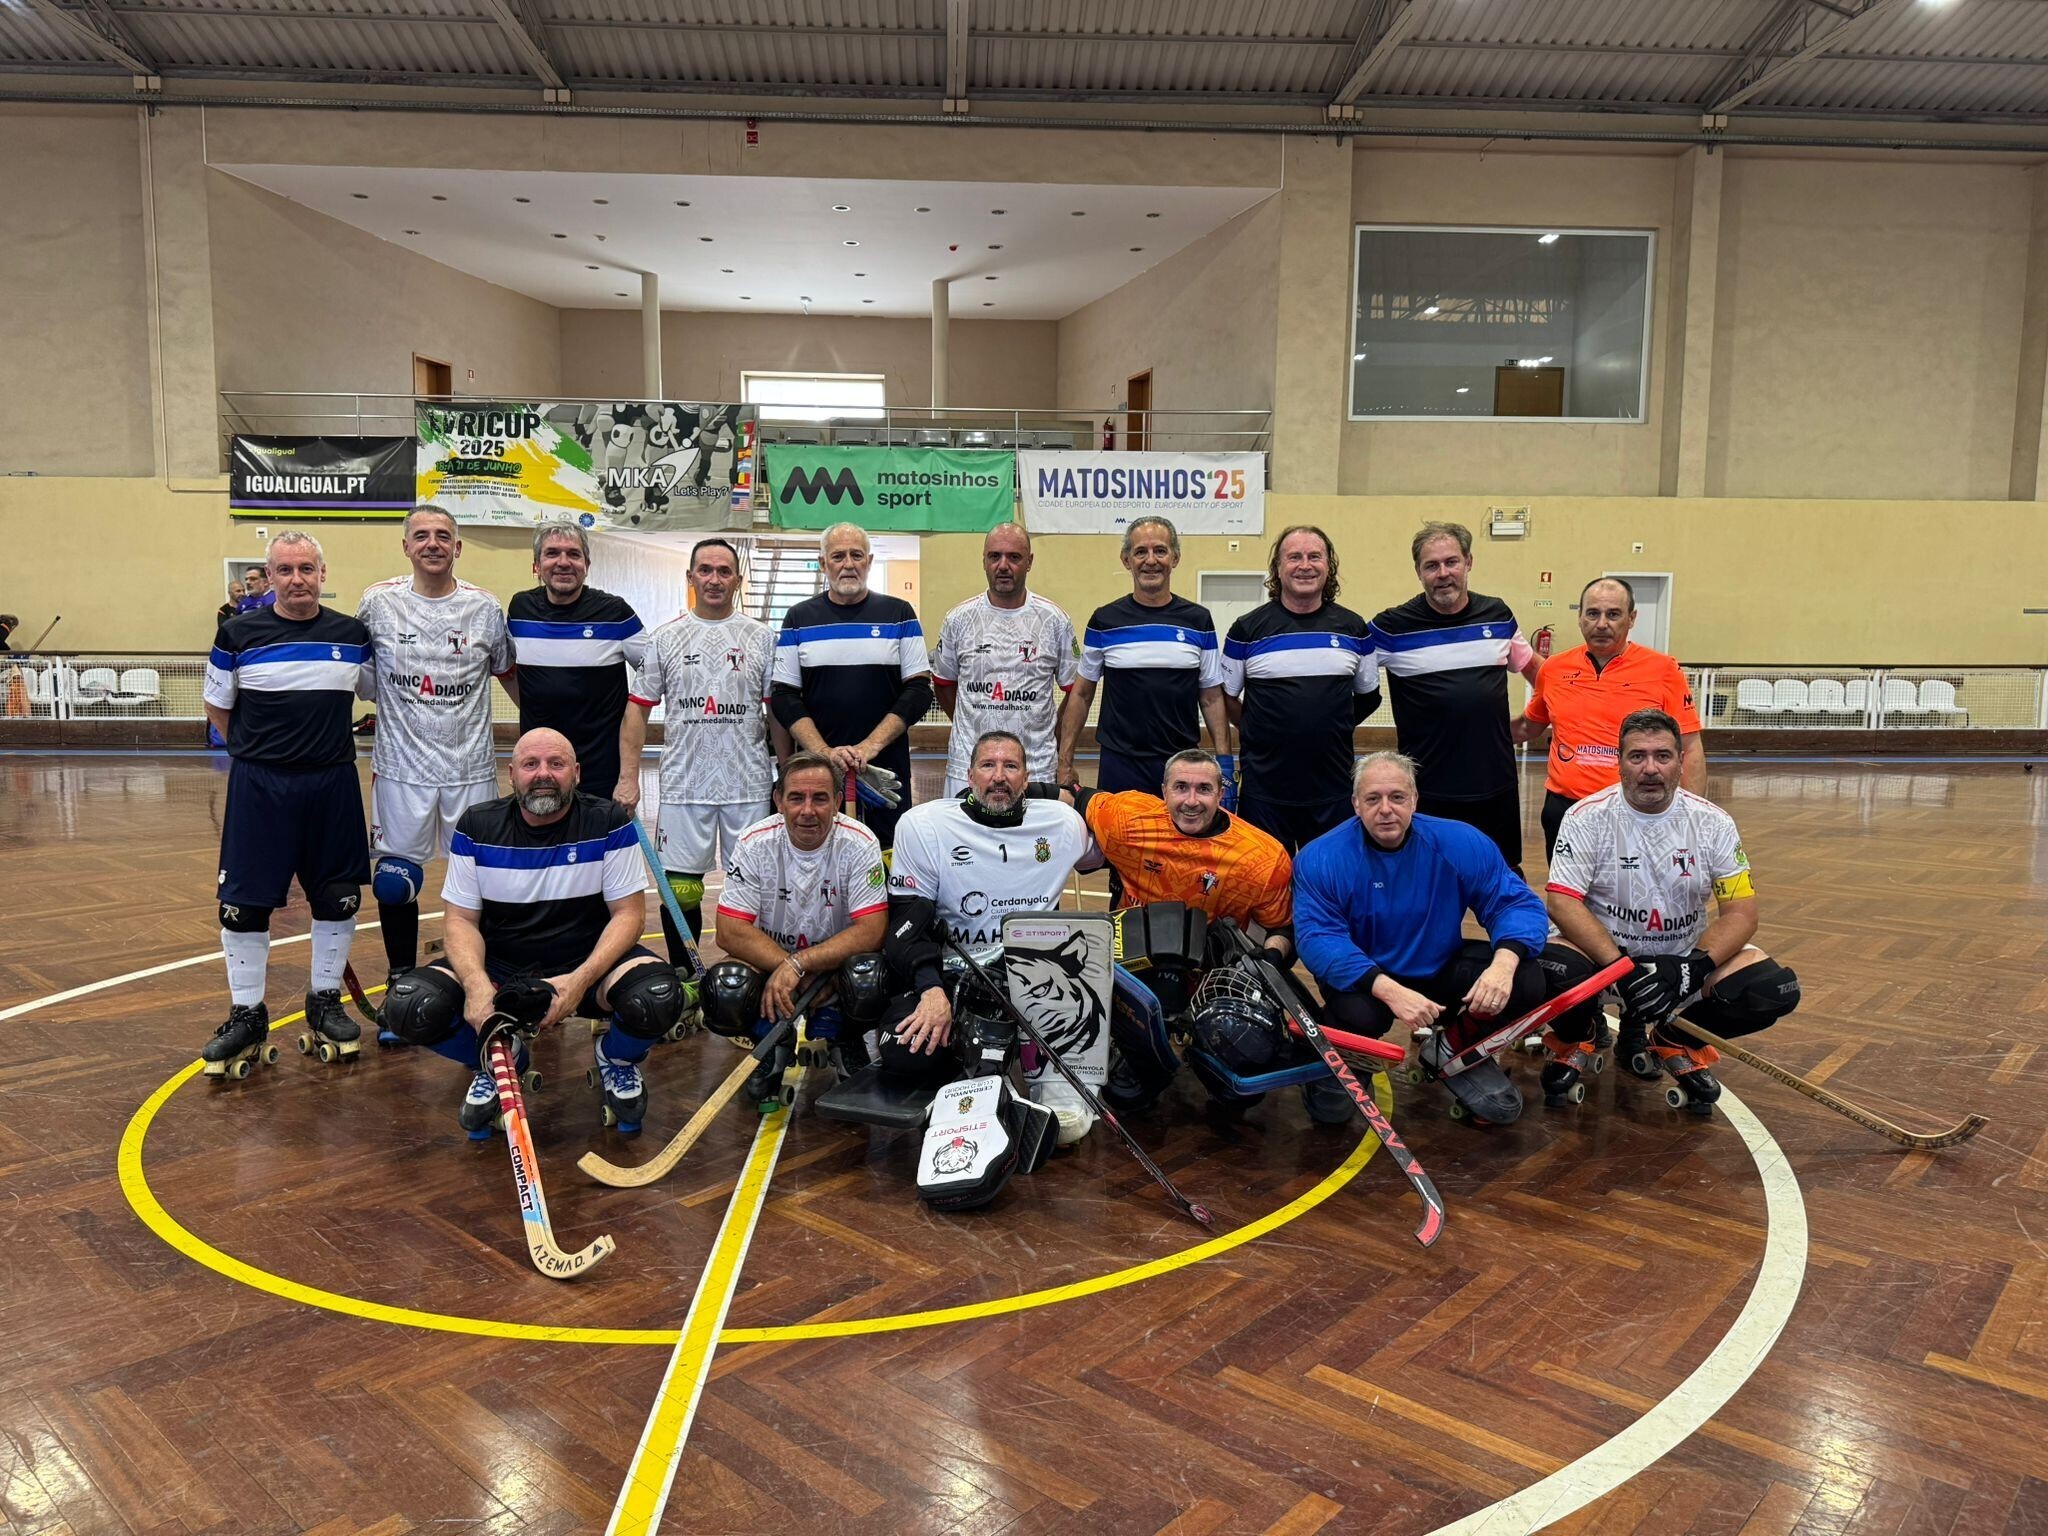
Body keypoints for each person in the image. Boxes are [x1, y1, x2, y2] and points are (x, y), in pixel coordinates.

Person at [377, 729, 687, 1136]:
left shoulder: (608, 822)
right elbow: (460, 921)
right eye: (530, 764)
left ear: (576, 773)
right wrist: (476, 985)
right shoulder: (477, 826)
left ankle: (616, 1058)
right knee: (409, 1005)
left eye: (556, 764)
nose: (543, 774)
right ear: (511, 774)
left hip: (587, 965)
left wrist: (580, 980)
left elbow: (629, 915)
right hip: (501, 970)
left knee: (658, 996)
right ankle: (497, 1058)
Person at [1540, 709, 1801, 1113]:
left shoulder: (1714, 823)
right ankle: (1580, 1034)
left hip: (1679, 963)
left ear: (1681, 760)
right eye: (1637, 756)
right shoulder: (1584, 817)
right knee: (1545, 968)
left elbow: (1741, 913)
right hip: (1603, 962)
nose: (1650, 768)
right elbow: (1562, 901)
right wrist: (1619, 968)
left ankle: (1676, 1038)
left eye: (1662, 756)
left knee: (1772, 988)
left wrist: (1695, 967)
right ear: (1619, 761)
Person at [1293, 752, 1550, 1123]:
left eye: (1397, 797)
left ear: (1414, 800)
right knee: (1330, 1111)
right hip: (1366, 982)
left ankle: (1453, 1048)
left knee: (1525, 978)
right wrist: (1389, 990)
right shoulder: (1321, 857)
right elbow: (1318, 938)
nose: (1386, 809)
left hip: (1438, 967)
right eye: (1373, 798)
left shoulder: (1460, 841)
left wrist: (1503, 964)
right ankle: (1353, 1055)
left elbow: (1514, 903)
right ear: (1355, 804)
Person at [197, 532, 372, 1075]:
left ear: (323, 573)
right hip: (260, 787)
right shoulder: (236, 634)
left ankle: (325, 1003)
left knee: (338, 897)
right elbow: (217, 705)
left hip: (332, 784)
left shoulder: (352, 635)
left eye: (307, 569)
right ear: (269, 576)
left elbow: (376, 693)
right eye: (286, 570)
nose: (298, 579)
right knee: (243, 905)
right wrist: (260, 752)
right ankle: (247, 1014)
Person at [882, 729, 1100, 1135]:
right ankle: (971, 1068)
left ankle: (1045, 1077)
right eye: (988, 765)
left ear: (1027, 778)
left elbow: (1112, 845)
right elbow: (905, 928)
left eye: (1010, 766)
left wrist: (1064, 794)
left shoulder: (1061, 823)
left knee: (1070, 1127)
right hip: (955, 975)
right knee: (904, 1050)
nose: (999, 776)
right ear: (969, 776)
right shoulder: (924, 826)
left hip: (1033, 976)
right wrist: (931, 990)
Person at [1067, 748, 1301, 1112]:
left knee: (1240, 1092)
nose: (1191, 801)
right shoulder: (1128, 818)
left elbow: (1283, 928)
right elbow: (1070, 796)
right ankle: (1132, 1046)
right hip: (1134, 961)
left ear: (1221, 793)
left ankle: (1209, 1051)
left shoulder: (1261, 857)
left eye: (1204, 789)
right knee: (1127, 1096)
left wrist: (1264, 960)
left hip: (1212, 972)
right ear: (1164, 791)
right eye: (1181, 788)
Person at [357, 506, 516, 1027]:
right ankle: (401, 984)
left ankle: (491, 981)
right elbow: (357, 678)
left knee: (488, 883)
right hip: (401, 769)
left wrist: (548, 731)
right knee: (394, 883)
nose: (432, 544)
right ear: (406, 546)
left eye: (443, 536)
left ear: (458, 547)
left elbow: (511, 675)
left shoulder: (485, 608)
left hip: (471, 769)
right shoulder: (377, 603)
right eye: (421, 535)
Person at [617, 537, 784, 958]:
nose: (714, 579)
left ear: (738, 580)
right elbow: (636, 711)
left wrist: (785, 773)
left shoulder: (762, 638)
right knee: (682, 891)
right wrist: (628, 778)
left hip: (748, 784)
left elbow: (778, 714)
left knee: (754, 888)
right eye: (705, 570)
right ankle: (687, 977)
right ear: (690, 577)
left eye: (724, 571)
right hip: (684, 785)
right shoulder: (666, 638)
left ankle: (749, 978)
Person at [708, 750, 891, 1103]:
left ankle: (844, 1038)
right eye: (796, 798)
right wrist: (789, 967)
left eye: (820, 798)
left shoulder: (860, 842)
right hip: (772, 965)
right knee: (726, 988)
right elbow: (729, 930)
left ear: (837, 802)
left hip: (835, 969)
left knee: (871, 978)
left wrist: (800, 964)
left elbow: (873, 930)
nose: (808, 810)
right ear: (778, 801)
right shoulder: (753, 842)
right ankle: (773, 1040)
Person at [1371, 522, 1542, 876]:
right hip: (1427, 790)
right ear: (1418, 572)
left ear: (1468, 562)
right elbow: (1345, 673)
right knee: (1429, 882)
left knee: (1502, 877)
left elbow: (1539, 673)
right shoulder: (1391, 628)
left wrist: (1534, 723)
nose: (1443, 573)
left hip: (1494, 785)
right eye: (1432, 565)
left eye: (1451, 562)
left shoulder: (1498, 616)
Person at [1513, 576, 1704, 861]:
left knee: (1632, 888)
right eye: (1593, 613)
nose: (1602, 624)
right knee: (1565, 888)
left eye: (1613, 614)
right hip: (1565, 810)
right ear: (1580, 617)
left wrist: (1692, 818)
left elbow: (1690, 746)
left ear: (1631, 619)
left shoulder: (1663, 669)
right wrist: (1468, 731)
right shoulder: (1553, 669)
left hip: (1635, 809)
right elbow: (1528, 726)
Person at [770, 522, 933, 849]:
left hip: (885, 775)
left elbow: (918, 690)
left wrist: (868, 748)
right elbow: (784, 697)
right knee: (821, 856)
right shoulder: (799, 618)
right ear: (823, 563)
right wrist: (825, 753)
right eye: (838, 556)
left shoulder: (899, 614)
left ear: (869, 562)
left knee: (886, 858)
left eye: (857, 555)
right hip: (819, 776)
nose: (848, 564)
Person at [1222, 525, 1381, 855]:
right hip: (1265, 792)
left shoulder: (1354, 628)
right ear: (1278, 568)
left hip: (1333, 790)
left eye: (1314, 556)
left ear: (1328, 566)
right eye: (1294, 557)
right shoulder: (1246, 629)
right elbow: (1225, 697)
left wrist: (1330, 725)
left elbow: (1369, 696)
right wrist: (1255, 727)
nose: (1305, 565)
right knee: (1267, 879)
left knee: (1329, 880)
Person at [1056, 517, 1231, 799]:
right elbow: (1082, 694)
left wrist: (1225, 762)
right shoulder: (1104, 621)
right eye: (1141, 552)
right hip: (1119, 765)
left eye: (1160, 551)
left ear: (1175, 558)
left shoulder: (1198, 621)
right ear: (1126, 560)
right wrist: (1065, 762)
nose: (1151, 560)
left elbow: (1211, 697)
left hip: (1181, 765)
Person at [931, 523, 1078, 801]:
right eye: (994, 556)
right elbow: (944, 685)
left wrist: (1056, 743)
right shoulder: (958, 619)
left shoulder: (1055, 620)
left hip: (1036, 766)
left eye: (1014, 557)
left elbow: (1076, 691)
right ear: (984, 561)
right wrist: (972, 726)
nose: (1003, 566)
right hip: (968, 767)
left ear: (1029, 562)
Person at [506, 522, 646, 802]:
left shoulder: (615, 613)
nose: (563, 562)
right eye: (552, 553)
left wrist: (629, 777)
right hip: (541, 771)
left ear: (586, 565)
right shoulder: (520, 610)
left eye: (573, 554)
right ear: (537, 565)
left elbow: (654, 676)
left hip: (603, 772)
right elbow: (505, 670)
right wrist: (533, 705)